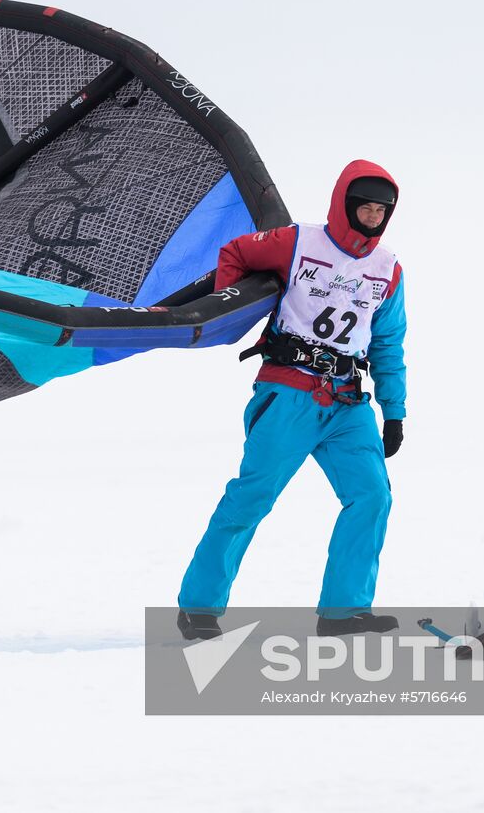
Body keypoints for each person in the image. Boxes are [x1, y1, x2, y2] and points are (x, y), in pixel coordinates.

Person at [176, 159, 407, 640]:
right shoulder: (298, 241)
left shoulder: (389, 272)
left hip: (347, 402)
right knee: (252, 497)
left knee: (372, 496)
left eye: (379, 210)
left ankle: (344, 613)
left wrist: (395, 412)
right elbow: (235, 252)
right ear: (344, 203)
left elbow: (387, 344)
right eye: (362, 206)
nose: (371, 216)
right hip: (290, 392)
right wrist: (228, 315)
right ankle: (198, 607)